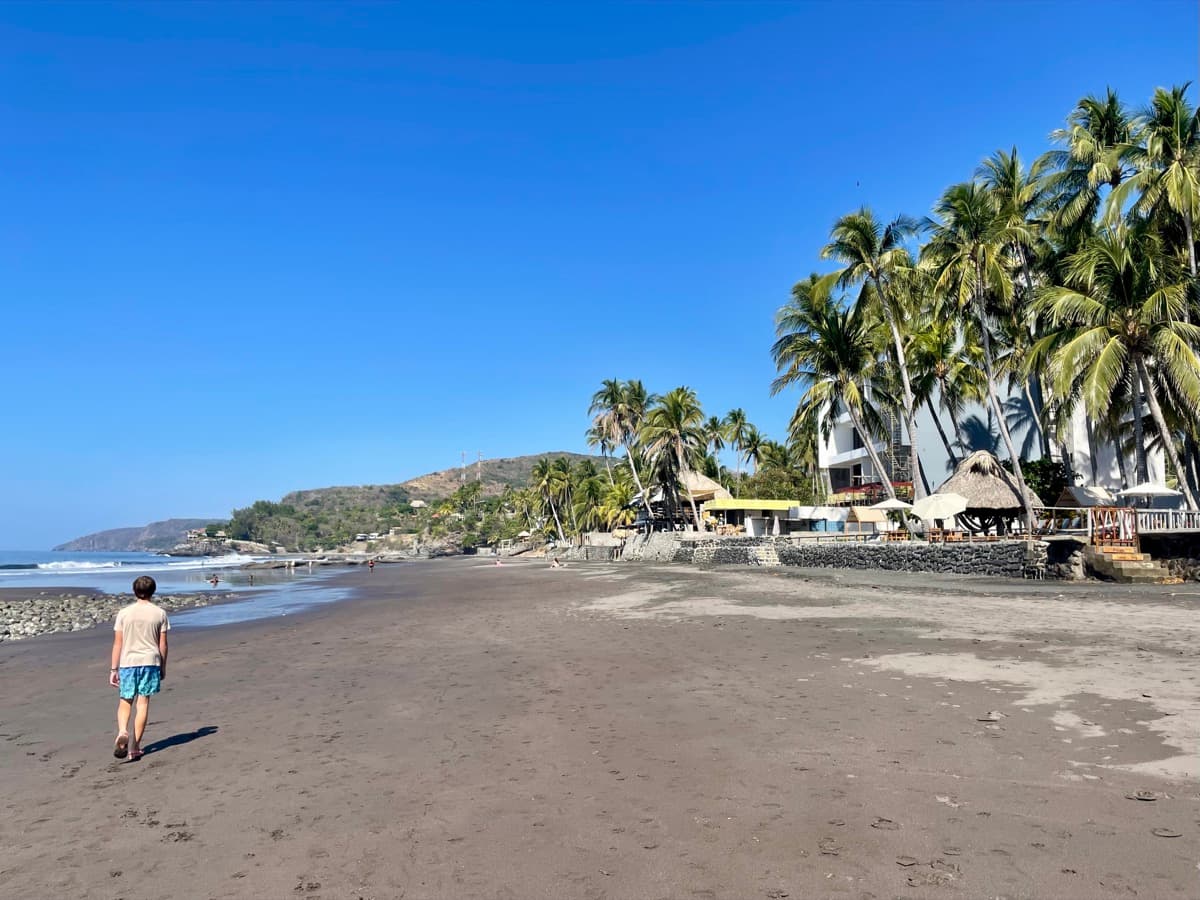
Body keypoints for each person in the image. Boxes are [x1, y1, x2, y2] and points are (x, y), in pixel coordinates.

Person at [109, 575, 170, 761]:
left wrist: (113, 669)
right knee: (142, 703)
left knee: (125, 701)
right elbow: (163, 645)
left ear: (134, 591)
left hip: (128, 662)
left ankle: (122, 731)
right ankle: (134, 747)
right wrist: (163, 666)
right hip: (150, 661)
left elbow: (117, 644)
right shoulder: (159, 613)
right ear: (153, 591)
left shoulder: (124, 613)